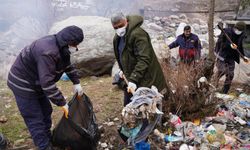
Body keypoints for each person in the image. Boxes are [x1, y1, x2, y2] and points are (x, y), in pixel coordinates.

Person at [7, 25, 84, 150]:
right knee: (35, 117)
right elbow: (47, 83)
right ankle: (44, 146)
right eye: (75, 44)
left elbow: (67, 65)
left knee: (46, 111)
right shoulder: (47, 52)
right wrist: (62, 102)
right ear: (68, 42)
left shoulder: (61, 46)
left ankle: (48, 139)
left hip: (37, 81)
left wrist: (76, 82)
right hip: (23, 83)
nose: (76, 47)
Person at [111, 12, 167, 106]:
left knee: (147, 108)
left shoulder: (138, 34)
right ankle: (130, 120)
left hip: (146, 78)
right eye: (115, 28)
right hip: (131, 78)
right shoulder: (117, 38)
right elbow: (123, 55)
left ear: (126, 21)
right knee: (129, 106)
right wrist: (122, 69)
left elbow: (144, 59)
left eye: (120, 26)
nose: (118, 29)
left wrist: (134, 79)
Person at [214, 21, 249, 94]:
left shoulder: (241, 35)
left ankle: (224, 92)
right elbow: (220, 43)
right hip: (222, 54)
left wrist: (243, 56)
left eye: (240, 30)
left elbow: (240, 46)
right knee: (222, 70)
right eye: (237, 29)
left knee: (230, 75)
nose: (238, 31)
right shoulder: (226, 32)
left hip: (231, 57)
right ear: (235, 28)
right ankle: (214, 85)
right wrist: (229, 45)